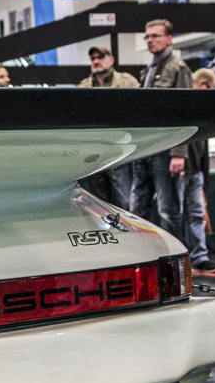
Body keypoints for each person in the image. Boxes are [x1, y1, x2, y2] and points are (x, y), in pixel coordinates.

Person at [134, 19, 194, 228]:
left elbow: (186, 111)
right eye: (147, 36)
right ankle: (141, 249)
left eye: (155, 36)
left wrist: (179, 152)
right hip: (144, 146)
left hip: (165, 147)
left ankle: (172, 249)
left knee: (168, 209)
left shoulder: (178, 68)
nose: (150, 40)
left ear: (169, 39)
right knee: (137, 208)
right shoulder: (148, 70)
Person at [167, 69, 215, 273]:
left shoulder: (200, 107)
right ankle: (177, 258)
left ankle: (198, 256)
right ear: (205, 84)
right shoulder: (185, 104)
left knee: (196, 214)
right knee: (174, 214)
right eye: (213, 88)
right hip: (182, 167)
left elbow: (203, 145)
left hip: (194, 169)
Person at [78, 45, 141, 209]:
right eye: (93, 58)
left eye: (100, 57)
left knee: (125, 203)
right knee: (99, 204)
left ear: (111, 59)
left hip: (121, 151)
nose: (96, 61)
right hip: (95, 153)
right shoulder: (83, 87)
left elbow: (140, 113)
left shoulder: (127, 82)